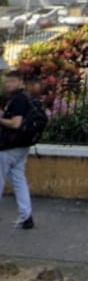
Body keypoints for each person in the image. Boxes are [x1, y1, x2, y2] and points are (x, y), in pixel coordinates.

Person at [0, 70, 34, 229]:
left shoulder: (19, 99)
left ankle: (26, 215)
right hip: (21, 147)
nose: (8, 84)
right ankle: (26, 216)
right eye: (7, 81)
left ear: (21, 82)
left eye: (12, 81)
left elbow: (15, 123)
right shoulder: (21, 98)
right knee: (19, 180)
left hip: (8, 147)